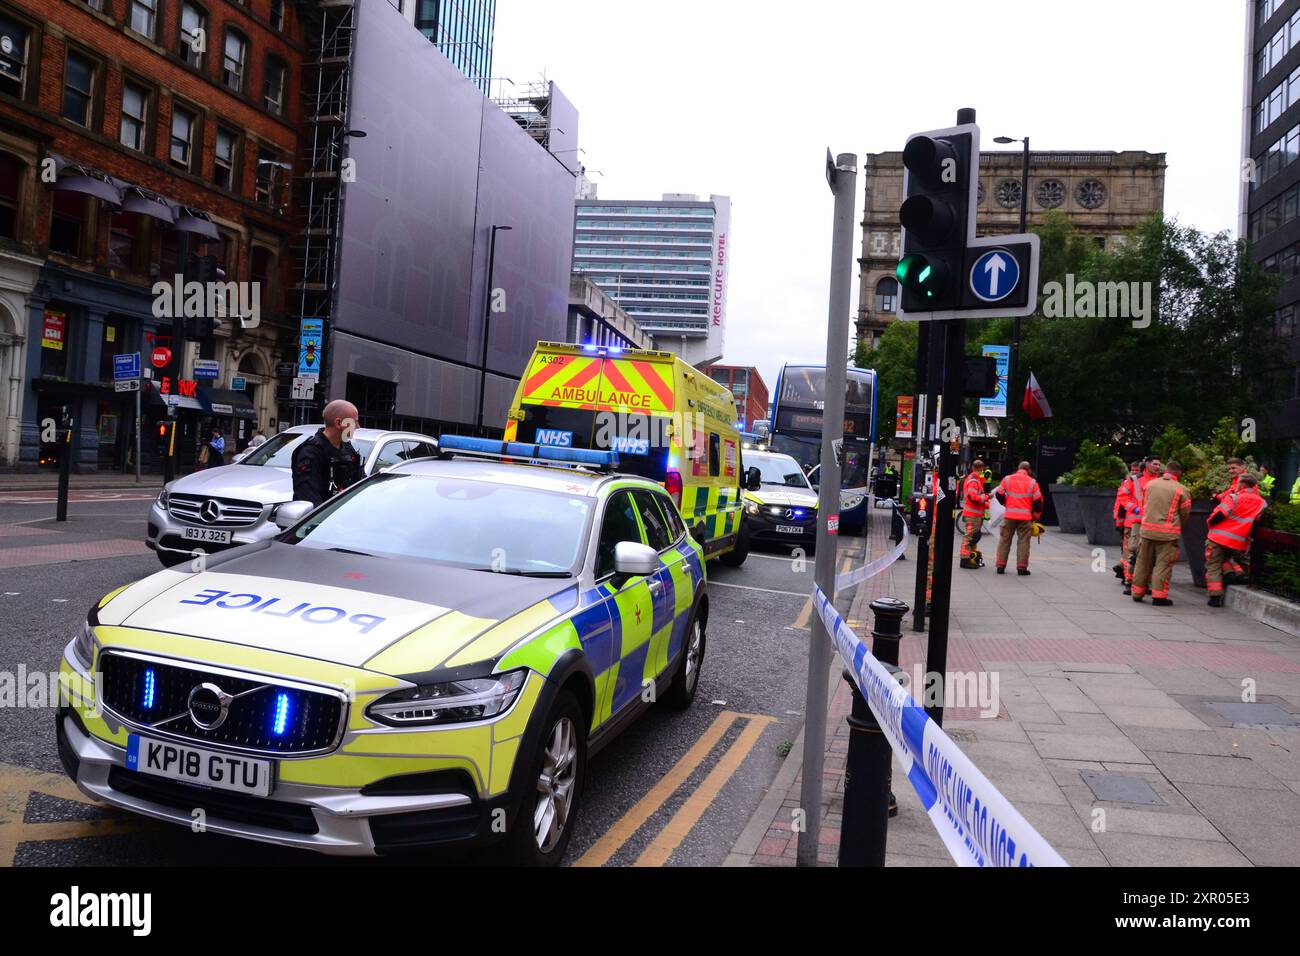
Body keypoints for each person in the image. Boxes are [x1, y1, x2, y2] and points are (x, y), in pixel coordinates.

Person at [1131, 461, 1192, 607]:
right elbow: (1185, 513)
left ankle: (1137, 592)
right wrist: (1178, 526)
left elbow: (1144, 505)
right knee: (1162, 565)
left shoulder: (1150, 484)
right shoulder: (1181, 490)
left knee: (1142, 562)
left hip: (1146, 531)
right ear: (1179, 473)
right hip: (1167, 534)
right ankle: (1159, 597)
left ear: (1166, 471)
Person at [1205, 474, 1268, 608]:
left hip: (1219, 536)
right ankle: (1236, 574)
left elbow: (1220, 514)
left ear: (1243, 485)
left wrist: (1209, 523)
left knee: (1214, 564)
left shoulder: (1234, 497)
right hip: (1238, 540)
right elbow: (1257, 521)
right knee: (1226, 558)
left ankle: (1215, 596)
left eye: (1238, 483)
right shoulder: (1262, 503)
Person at [291, 399, 364, 506]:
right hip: (323, 519)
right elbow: (308, 498)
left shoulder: (348, 449)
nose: (358, 427)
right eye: (354, 422)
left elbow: (360, 484)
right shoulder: (311, 452)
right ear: (339, 423)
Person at [994, 460, 1044, 575]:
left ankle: (1000, 566)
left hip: (1009, 515)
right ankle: (1022, 568)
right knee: (1023, 542)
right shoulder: (1032, 482)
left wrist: (1005, 504)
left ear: (1018, 468)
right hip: (1025, 517)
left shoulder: (1007, 479)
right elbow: (1038, 502)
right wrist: (1035, 514)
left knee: (1004, 540)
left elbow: (999, 494)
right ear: (1028, 470)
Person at [1123, 457, 1162, 594]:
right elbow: (1123, 496)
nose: (1158, 466)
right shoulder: (1134, 479)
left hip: (1154, 523)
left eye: (1159, 464)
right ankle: (1129, 582)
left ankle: (1145, 584)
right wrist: (1135, 509)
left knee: (1152, 555)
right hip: (1139, 522)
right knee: (1134, 553)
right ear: (1147, 464)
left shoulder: (1161, 481)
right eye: (1155, 464)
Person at [1113, 460, 1142, 581]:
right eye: (1133, 470)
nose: (1134, 472)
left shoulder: (1129, 483)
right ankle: (1127, 576)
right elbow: (1120, 505)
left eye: (1137, 470)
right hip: (1130, 522)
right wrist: (1119, 521)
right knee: (1129, 551)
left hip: (1130, 522)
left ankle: (1124, 570)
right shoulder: (1129, 483)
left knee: (1128, 551)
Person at [960, 458, 989, 569]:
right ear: (981, 469)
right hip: (973, 515)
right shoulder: (973, 481)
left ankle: (972, 558)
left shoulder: (973, 479)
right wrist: (986, 497)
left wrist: (986, 503)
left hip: (975, 514)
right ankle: (965, 559)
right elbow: (973, 497)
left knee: (974, 537)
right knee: (970, 537)